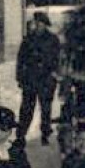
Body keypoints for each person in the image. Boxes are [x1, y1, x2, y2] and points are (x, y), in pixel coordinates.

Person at [17, 11, 61, 146]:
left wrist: (54, 73)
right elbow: (21, 60)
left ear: (45, 24)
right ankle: (21, 135)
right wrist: (20, 77)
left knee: (46, 108)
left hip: (46, 79)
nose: (36, 26)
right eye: (35, 23)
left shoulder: (53, 40)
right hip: (30, 80)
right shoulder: (28, 39)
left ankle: (45, 135)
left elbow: (57, 59)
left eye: (40, 23)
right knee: (26, 108)